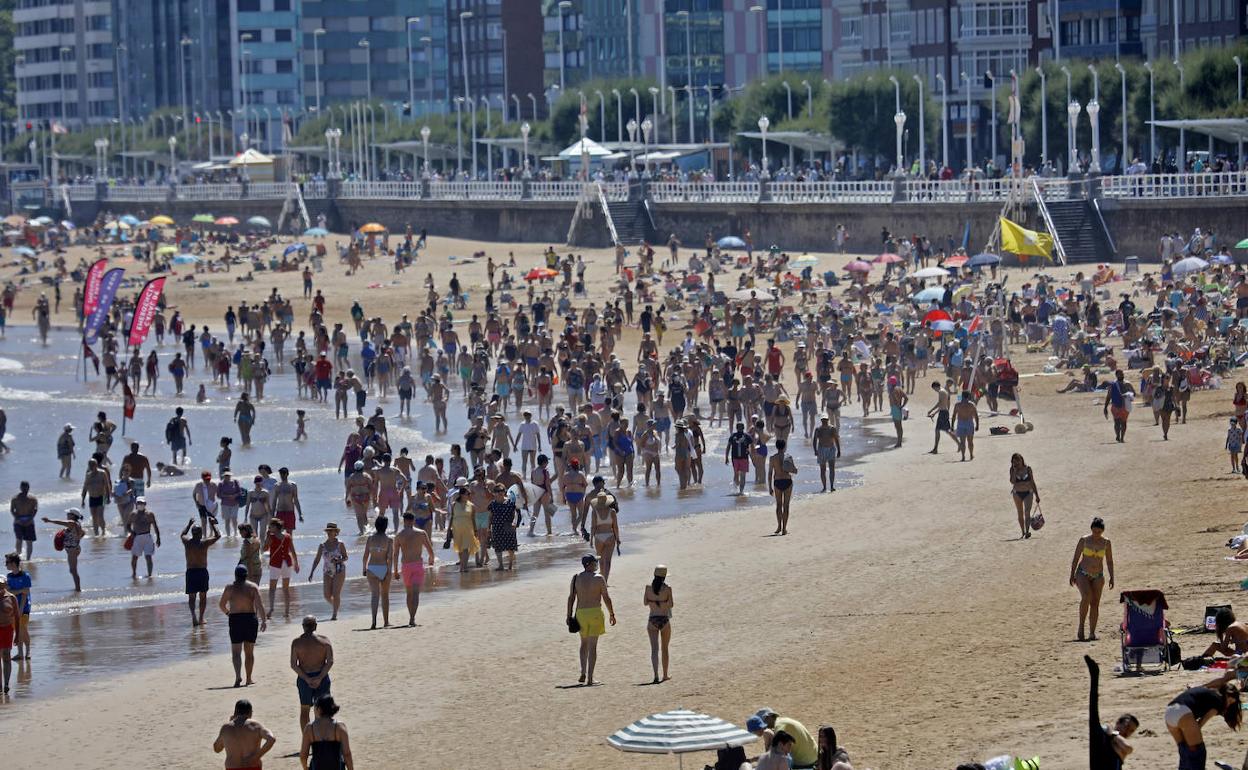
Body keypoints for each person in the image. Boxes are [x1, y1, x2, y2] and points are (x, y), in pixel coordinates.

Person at [1165, 679, 1241, 769]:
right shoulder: (1219, 700)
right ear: (1228, 696)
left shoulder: (1209, 693)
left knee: (1184, 749)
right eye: (1230, 702)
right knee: (1198, 751)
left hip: (1169, 712)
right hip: (1183, 712)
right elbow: (1200, 723)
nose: (1229, 705)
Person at [566, 553, 615, 685]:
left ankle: (583, 672)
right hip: (595, 613)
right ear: (591, 564)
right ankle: (590, 678)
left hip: (581, 613)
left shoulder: (576, 578)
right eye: (595, 562)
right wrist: (612, 614)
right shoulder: (599, 578)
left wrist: (568, 615)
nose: (597, 564)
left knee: (583, 644)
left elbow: (571, 598)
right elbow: (606, 598)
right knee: (593, 646)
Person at [1085, 656, 1137, 770]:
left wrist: (1113, 735)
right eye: (1127, 726)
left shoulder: (1119, 745)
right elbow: (1093, 714)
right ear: (1118, 722)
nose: (1128, 732)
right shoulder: (1104, 736)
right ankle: (1095, 676)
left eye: (1132, 731)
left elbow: (1129, 748)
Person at [220, 565, 267, 687]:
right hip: (250, 619)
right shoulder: (252, 587)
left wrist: (228, 613)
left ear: (235, 575)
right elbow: (260, 605)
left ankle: (237, 676)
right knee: (249, 652)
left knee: (236, 652)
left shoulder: (230, 588)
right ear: (246, 575)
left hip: (235, 620)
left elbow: (221, 605)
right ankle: (249, 678)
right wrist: (264, 620)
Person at [1069, 517, 1114, 641]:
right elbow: (1076, 558)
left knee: (1095, 603)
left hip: (1098, 575)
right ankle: (1081, 627)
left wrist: (1112, 576)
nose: (1096, 534)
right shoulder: (1084, 540)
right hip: (1082, 573)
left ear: (1102, 531)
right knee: (1086, 596)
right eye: (1094, 531)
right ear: (1091, 529)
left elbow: (1109, 561)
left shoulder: (1106, 543)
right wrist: (1072, 574)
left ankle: (1092, 632)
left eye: (1099, 532)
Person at [291, 615, 334, 731]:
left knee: (305, 710)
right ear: (315, 626)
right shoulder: (324, 640)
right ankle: (321, 735)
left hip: (305, 679)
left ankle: (307, 737)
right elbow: (329, 661)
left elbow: (293, 665)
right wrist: (319, 678)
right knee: (321, 709)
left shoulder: (297, 642)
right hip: (322, 676)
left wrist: (306, 679)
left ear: (303, 627)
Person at [394, 511, 435, 625]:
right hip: (417, 564)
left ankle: (410, 616)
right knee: (416, 593)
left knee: (409, 593)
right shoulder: (421, 533)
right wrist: (431, 559)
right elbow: (429, 548)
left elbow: (395, 554)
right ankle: (412, 618)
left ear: (404, 521)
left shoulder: (399, 535)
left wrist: (396, 570)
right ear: (413, 520)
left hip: (406, 566)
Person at [213, 699, 276, 770]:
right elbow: (271, 739)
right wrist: (256, 757)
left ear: (235, 712)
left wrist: (229, 725)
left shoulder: (226, 728)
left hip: (233, 767)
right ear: (250, 712)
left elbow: (217, 749)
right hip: (253, 766)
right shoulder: (256, 726)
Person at [182, 518, 222, 626]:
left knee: (191, 596)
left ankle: (194, 617)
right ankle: (201, 618)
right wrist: (212, 524)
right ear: (200, 534)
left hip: (190, 572)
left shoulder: (187, 542)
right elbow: (218, 535)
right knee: (203, 596)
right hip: (201, 572)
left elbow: (182, 534)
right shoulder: (204, 543)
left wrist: (189, 524)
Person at [750, 708, 819, 769]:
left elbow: (774, 754)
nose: (763, 726)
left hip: (805, 762)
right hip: (814, 755)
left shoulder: (780, 727)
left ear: (769, 717)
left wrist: (752, 760)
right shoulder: (783, 722)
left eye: (763, 722)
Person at [299, 695, 354, 770]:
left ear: (319, 709)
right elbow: (347, 753)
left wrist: (305, 768)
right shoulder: (339, 727)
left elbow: (303, 754)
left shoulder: (310, 728)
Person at [307, 523, 348, 621]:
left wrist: (339, 560)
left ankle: (334, 614)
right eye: (328, 531)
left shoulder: (340, 544)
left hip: (339, 570)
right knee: (326, 595)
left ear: (336, 532)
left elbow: (346, 557)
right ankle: (336, 606)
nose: (329, 533)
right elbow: (316, 560)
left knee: (335, 593)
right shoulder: (322, 546)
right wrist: (312, 572)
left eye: (331, 531)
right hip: (327, 571)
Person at [41, 509, 85, 591]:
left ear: (72, 515)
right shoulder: (77, 524)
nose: (67, 515)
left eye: (68, 513)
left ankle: (78, 589)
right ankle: (77, 588)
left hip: (72, 550)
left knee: (73, 570)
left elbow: (60, 522)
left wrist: (49, 520)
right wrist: (77, 538)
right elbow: (83, 532)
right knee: (72, 570)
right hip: (74, 548)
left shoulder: (72, 523)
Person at [361, 515, 393, 629]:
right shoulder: (389, 540)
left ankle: (374, 621)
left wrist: (364, 568)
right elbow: (389, 558)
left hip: (372, 567)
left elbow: (365, 556)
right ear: (385, 526)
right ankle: (386, 621)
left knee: (375, 595)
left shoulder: (370, 539)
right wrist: (389, 571)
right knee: (385, 595)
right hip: (383, 567)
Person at [644, 565, 673, 684]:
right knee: (664, 648)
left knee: (654, 649)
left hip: (652, 619)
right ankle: (665, 675)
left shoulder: (648, 588)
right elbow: (671, 604)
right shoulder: (667, 589)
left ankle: (655, 674)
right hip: (664, 619)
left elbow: (645, 603)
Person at [265, 519, 300, 620]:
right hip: (287, 563)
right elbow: (293, 551)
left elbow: (264, 548)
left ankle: (271, 608)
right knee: (285, 588)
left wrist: (267, 537)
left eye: (270, 527)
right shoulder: (288, 536)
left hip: (275, 564)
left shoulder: (271, 537)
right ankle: (287, 612)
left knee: (272, 588)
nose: (269, 528)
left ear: (275, 527)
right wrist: (296, 564)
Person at [487, 484, 521, 571]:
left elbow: (516, 514)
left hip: (508, 526)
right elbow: (490, 517)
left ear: (504, 491)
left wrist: (514, 523)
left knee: (511, 547)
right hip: (497, 527)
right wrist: (488, 528)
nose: (500, 493)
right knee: (498, 547)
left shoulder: (510, 502)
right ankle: (500, 565)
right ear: (494, 493)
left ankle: (510, 565)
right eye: (497, 491)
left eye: (501, 490)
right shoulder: (492, 504)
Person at [3, 553, 31, 660]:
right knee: (17, 630)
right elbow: (9, 591)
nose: (6, 565)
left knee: (23, 629)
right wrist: (19, 591)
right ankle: (20, 653)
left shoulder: (25, 576)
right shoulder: (9, 577)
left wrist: (20, 608)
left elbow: (26, 593)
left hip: (24, 607)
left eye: (7, 563)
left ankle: (28, 651)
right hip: (12, 607)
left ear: (14, 563)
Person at [126, 497, 161, 579]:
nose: (140, 505)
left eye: (142, 503)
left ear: (145, 504)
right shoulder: (133, 514)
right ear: (136, 504)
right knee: (135, 557)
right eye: (138, 503)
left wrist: (158, 538)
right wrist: (131, 532)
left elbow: (155, 526)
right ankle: (134, 573)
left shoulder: (150, 514)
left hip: (147, 537)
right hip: (137, 537)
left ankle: (149, 574)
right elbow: (127, 525)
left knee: (148, 557)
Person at [767, 439, 796, 536]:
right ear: (784, 446)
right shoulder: (789, 457)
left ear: (776, 447)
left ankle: (779, 525)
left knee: (778, 505)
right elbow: (793, 470)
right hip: (787, 481)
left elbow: (770, 473)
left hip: (777, 482)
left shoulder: (772, 458)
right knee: (786, 505)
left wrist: (770, 487)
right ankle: (784, 529)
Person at [1009, 453, 1040, 539]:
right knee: (1020, 512)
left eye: (1018, 461)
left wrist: (1037, 495)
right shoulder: (1012, 470)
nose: (1017, 463)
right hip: (1017, 493)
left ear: (1022, 460)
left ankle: (1027, 531)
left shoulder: (1028, 469)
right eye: (1014, 462)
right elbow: (1012, 481)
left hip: (1028, 493)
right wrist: (1015, 472)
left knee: (1027, 512)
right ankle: (1022, 531)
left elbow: (1032, 482)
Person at [1103, 369, 1134, 443]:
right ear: (1116, 375)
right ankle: (1118, 435)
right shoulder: (1113, 385)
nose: (1122, 375)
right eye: (1120, 374)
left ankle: (1122, 437)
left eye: (1122, 374)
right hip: (1115, 406)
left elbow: (1134, 393)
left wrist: (1128, 395)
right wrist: (1105, 407)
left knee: (1124, 422)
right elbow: (1108, 396)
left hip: (1125, 406)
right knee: (1117, 422)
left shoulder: (1127, 384)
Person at [812, 416, 841, 493]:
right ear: (821, 420)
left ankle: (831, 486)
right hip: (821, 449)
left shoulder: (832, 429)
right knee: (822, 470)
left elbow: (836, 439)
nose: (824, 421)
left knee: (832, 468)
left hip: (831, 449)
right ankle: (824, 487)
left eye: (826, 420)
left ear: (828, 420)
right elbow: (814, 440)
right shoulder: (818, 429)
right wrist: (815, 450)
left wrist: (839, 450)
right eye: (823, 420)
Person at [10, 481, 37, 560]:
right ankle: (18, 557)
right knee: (19, 540)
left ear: (29, 488)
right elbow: (12, 510)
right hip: (18, 521)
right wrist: (17, 519)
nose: (25, 489)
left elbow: (35, 509)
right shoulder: (15, 498)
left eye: (26, 487)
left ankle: (28, 559)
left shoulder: (33, 498)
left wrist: (30, 519)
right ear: (20, 488)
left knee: (29, 541)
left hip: (29, 520)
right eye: (23, 487)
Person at [952, 391, 980, 461]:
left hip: (961, 423)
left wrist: (952, 425)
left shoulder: (957, 405)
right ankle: (971, 455)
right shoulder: (972, 405)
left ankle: (963, 456)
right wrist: (977, 425)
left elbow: (954, 416)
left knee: (962, 442)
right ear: (968, 396)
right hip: (969, 423)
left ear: (962, 396)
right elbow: (976, 416)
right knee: (970, 441)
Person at [0, 576, 14, 692]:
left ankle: (6, 684)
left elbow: (17, 618)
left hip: (7, 629)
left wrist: (18, 635)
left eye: (1, 585)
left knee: (6, 656)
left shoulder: (11, 598)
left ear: (5, 585)